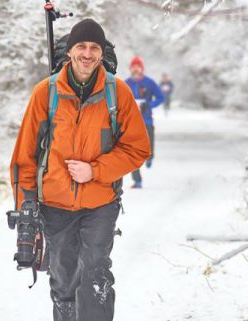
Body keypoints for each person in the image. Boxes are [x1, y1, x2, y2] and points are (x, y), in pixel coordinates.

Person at [9, 19, 151, 321]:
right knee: (63, 278)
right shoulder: (45, 94)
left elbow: (138, 148)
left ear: (102, 53)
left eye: (94, 48)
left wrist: (95, 171)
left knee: (95, 273)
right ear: (70, 51)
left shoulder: (119, 93)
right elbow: (25, 156)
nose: (88, 53)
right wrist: (26, 205)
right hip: (55, 205)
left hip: (100, 204)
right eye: (82, 47)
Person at [124, 56, 164, 189]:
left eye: (138, 66)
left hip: (146, 119)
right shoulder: (126, 83)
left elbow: (160, 97)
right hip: (130, 121)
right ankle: (137, 180)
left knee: (148, 143)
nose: (136, 69)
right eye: (133, 67)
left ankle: (150, 157)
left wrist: (149, 105)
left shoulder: (149, 83)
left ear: (142, 69)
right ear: (130, 69)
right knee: (131, 150)